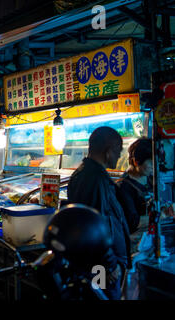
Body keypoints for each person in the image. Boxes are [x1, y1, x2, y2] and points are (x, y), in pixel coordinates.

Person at [67, 126, 131, 300]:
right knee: (102, 296)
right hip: (100, 266)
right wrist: (109, 265)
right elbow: (95, 227)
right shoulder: (94, 179)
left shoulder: (85, 174)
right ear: (108, 152)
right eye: (118, 152)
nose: (119, 157)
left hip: (96, 261)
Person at [116, 138, 153, 234]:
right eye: (150, 162)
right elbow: (133, 222)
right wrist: (163, 214)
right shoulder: (123, 187)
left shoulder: (150, 178)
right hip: (136, 242)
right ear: (136, 161)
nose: (154, 166)